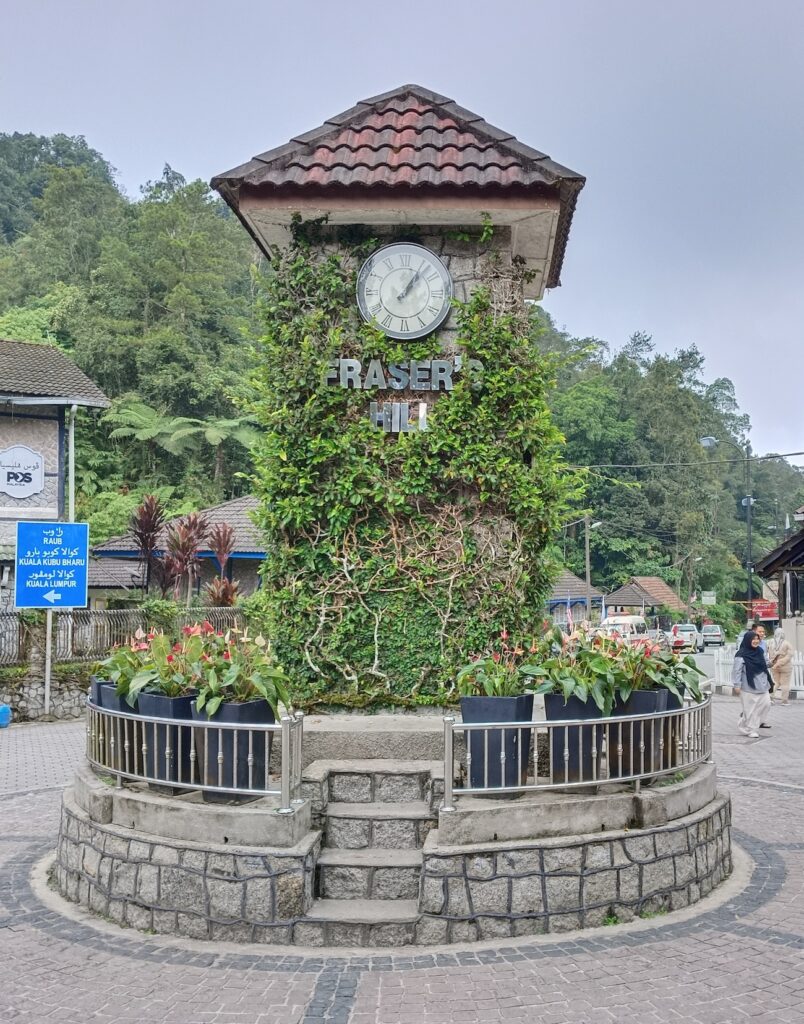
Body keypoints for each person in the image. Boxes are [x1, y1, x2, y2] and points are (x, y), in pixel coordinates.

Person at [732, 630, 773, 738]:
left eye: (757, 639)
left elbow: (765, 662)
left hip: (762, 685)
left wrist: (771, 662)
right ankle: (751, 730)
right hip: (748, 687)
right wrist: (737, 685)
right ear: (747, 640)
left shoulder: (760, 651)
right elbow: (737, 671)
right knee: (750, 710)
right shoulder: (741, 654)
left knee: (766, 704)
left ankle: (746, 719)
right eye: (753, 639)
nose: (755, 641)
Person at [769, 628, 794, 705]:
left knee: (776, 682)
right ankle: (784, 701)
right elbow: (789, 655)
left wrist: (774, 663)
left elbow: (770, 655)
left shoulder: (771, 643)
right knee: (785, 684)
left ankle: (771, 698)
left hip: (774, 666)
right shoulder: (787, 643)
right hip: (785, 666)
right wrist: (781, 662)